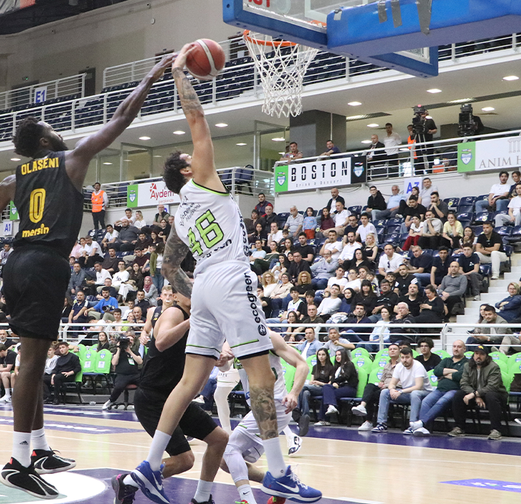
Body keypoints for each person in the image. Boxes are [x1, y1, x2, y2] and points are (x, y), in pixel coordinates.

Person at [0, 55, 174, 498]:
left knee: (34, 358)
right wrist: (151, 77)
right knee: (32, 363)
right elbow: (121, 117)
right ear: (46, 139)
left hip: (16, 261)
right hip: (46, 263)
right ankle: (19, 461)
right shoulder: (70, 158)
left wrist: (7, 197)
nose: (58, 131)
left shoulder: (13, 178)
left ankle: (38, 449)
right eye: (52, 128)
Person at [125, 44, 320, 504]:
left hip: (207, 284)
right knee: (261, 375)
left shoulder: (179, 214)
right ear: (187, 169)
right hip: (231, 276)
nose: (197, 155)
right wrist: (179, 73)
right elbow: (198, 121)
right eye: (190, 157)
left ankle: (151, 466)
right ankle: (277, 471)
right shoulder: (204, 179)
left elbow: (169, 264)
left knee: (189, 383)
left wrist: (191, 298)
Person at [111, 289, 230, 504]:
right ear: (175, 296)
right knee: (184, 460)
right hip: (153, 398)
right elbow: (161, 341)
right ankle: (128, 481)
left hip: (177, 398)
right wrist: (189, 322)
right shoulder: (175, 313)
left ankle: (202, 498)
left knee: (220, 439)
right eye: (188, 292)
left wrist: (215, 359)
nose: (195, 296)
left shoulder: (200, 321)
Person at [222, 332, 311, 504]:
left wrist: (294, 393)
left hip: (275, 404)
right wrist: (222, 362)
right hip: (256, 407)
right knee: (226, 461)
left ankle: (247, 500)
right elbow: (225, 367)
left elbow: (302, 365)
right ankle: (278, 486)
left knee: (228, 449)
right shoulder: (234, 337)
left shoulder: (268, 336)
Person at [448, 345, 507, 440]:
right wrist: (475, 395)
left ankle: (496, 430)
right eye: (476, 353)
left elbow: (492, 386)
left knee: (491, 396)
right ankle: (459, 427)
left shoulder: (493, 367)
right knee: (458, 395)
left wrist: (474, 394)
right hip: (476, 394)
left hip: (497, 394)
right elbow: (464, 383)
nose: (478, 356)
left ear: (487, 356)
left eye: (482, 354)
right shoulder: (468, 366)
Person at [411, 339, 468, 436]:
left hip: (455, 390)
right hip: (440, 389)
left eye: (459, 347)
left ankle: (422, 424)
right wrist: (453, 371)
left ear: (464, 349)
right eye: (454, 346)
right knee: (426, 401)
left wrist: (444, 373)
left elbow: (460, 376)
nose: (456, 349)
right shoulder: (446, 360)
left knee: (441, 401)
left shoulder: (467, 362)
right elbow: (436, 371)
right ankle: (423, 428)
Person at [372, 347, 432, 433]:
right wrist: (392, 390)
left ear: (412, 357)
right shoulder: (399, 366)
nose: (405, 360)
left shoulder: (418, 366)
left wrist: (400, 391)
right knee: (385, 392)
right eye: (403, 357)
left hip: (425, 393)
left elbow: (418, 386)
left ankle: (413, 425)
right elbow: (392, 383)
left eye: (407, 357)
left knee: (415, 393)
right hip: (407, 393)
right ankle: (382, 423)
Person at [354, 342, 401, 431]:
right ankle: (362, 406)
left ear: (399, 351)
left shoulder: (402, 365)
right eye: (390, 349)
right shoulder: (387, 365)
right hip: (383, 388)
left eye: (394, 349)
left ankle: (368, 421)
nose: (392, 351)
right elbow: (382, 379)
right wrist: (380, 383)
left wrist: (386, 385)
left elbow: (401, 382)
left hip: (393, 389)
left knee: (371, 396)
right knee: (369, 386)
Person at [315, 348, 359, 426]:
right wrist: (332, 382)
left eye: (339, 355)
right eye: (336, 355)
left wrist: (336, 382)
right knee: (326, 387)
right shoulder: (336, 367)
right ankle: (331, 407)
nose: (337, 357)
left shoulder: (349, 364)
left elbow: (346, 376)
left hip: (349, 388)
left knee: (327, 394)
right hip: (339, 388)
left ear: (344, 355)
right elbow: (332, 379)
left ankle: (324, 418)